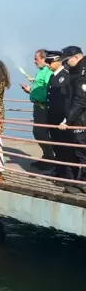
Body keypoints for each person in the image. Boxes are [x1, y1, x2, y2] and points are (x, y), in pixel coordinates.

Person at [45, 51, 78, 184]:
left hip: (62, 119)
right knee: (56, 147)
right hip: (53, 117)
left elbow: (67, 101)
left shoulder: (65, 76)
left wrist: (66, 119)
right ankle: (59, 171)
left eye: (50, 62)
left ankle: (67, 176)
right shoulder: (54, 76)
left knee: (65, 148)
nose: (48, 64)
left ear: (58, 61)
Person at [21, 50, 54, 168]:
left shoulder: (47, 71)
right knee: (40, 132)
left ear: (44, 59)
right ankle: (48, 156)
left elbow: (49, 89)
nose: (34, 61)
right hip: (38, 105)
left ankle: (50, 158)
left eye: (36, 58)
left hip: (43, 106)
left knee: (40, 132)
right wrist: (31, 90)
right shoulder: (41, 71)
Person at [61, 46, 86, 194]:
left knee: (82, 152)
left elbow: (81, 101)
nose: (66, 64)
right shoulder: (78, 71)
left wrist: (67, 121)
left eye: (67, 60)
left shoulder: (82, 75)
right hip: (80, 119)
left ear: (76, 57)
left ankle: (83, 183)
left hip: (81, 121)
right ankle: (80, 181)